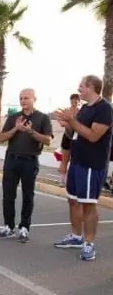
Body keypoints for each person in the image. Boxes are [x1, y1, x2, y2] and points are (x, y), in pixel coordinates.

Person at [53, 75, 112, 262]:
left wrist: (72, 120)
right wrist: (67, 124)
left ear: (92, 87)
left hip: (91, 165)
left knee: (88, 204)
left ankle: (89, 244)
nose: (79, 89)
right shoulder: (85, 108)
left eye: (82, 86)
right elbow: (75, 133)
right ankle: (76, 237)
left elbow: (93, 136)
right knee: (72, 201)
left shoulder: (105, 109)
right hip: (76, 163)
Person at [0, 88, 52, 243]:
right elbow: (0, 137)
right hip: (12, 160)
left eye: (26, 98)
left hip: (30, 161)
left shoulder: (43, 118)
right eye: (21, 98)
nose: (23, 100)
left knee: (28, 195)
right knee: (8, 195)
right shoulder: (13, 117)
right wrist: (16, 128)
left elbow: (47, 140)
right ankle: (9, 226)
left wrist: (30, 131)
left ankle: (24, 227)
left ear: (34, 99)